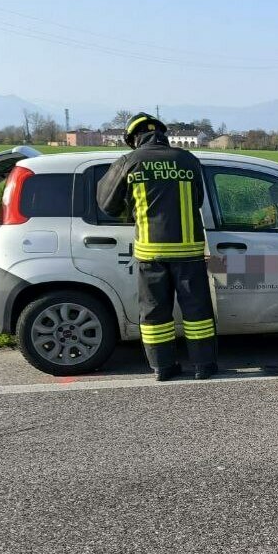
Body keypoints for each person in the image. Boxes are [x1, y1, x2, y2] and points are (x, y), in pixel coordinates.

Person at [97, 113, 217, 380]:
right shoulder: (187, 160)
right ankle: (203, 366)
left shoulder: (129, 162)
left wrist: (132, 211)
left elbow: (106, 204)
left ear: (133, 138)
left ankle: (162, 368)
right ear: (162, 135)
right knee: (197, 312)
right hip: (188, 253)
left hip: (151, 253)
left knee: (154, 314)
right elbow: (198, 199)